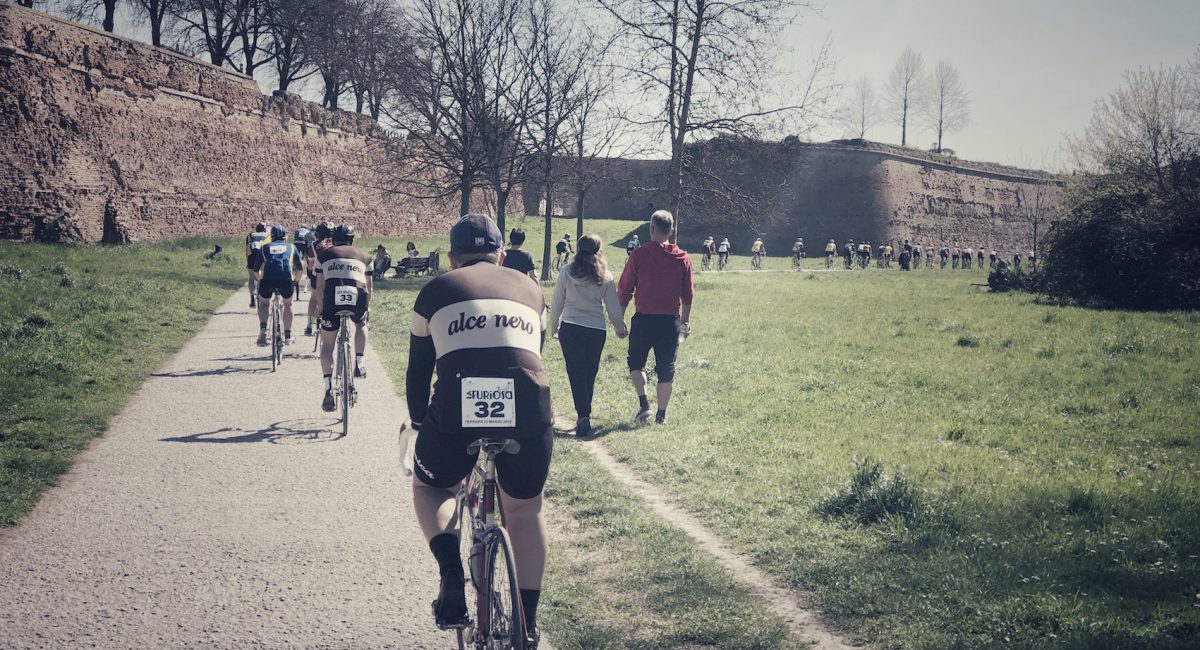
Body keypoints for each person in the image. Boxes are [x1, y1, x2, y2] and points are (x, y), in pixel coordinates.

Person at [406, 214, 553, 649]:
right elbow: (532, 353)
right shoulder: (532, 290)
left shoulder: (435, 291)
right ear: (501, 254)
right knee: (525, 511)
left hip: (457, 402)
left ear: (452, 258)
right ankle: (527, 622)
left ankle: (451, 573)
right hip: (527, 402)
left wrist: (419, 425)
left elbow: (419, 372)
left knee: (432, 487)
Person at [617, 210, 694, 425]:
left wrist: (619, 318)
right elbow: (688, 294)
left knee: (635, 363)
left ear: (651, 229)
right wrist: (685, 321)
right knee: (666, 369)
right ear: (670, 231)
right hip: (669, 321)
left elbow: (625, 288)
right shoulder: (682, 258)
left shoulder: (639, 255)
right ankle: (661, 415)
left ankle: (644, 404)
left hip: (644, 319)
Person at [549, 234, 628, 438]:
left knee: (575, 372)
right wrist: (620, 327)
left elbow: (557, 300)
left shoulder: (567, 272)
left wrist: (553, 325)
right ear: (599, 250)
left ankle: (583, 415)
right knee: (590, 372)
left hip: (571, 327)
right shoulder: (606, 276)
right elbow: (612, 308)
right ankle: (585, 414)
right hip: (595, 330)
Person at [315, 225, 372, 411]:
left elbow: (320, 287)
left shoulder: (323, 255)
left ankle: (328, 389)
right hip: (357, 297)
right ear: (352, 239)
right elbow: (369, 288)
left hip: (332, 299)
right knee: (361, 322)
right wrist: (366, 307)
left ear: (334, 239)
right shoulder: (365, 256)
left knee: (327, 346)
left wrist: (320, 308)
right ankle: (360, 362)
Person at [251, 225, 303, 346]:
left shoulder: (264, 248)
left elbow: (255, 270)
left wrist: (260, 281)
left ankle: (263, 329)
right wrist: (295, 281)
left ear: (272, 236)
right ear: (285, 236)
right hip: (285, 281)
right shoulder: (292, 247)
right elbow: (300, 269)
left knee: (264, 303)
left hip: (267, 281)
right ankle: (288, 335)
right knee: (288, 304)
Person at [303, 221, 335, 336]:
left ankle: (310, 325)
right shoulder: (336, 245)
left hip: (318, 276)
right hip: (333, 275)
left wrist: (310, 274)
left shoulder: (313, 246)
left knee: (314, 298)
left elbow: (310, 264)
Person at [245, 221, 270, 308]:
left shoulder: (250, 235)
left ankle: (252, 298)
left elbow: (247, 249)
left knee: (251, 278)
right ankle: (262, 293)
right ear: (265, 229)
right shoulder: (267, 235)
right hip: (263, 256)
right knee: (263, 275)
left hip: (251, 256)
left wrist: (248, 262)